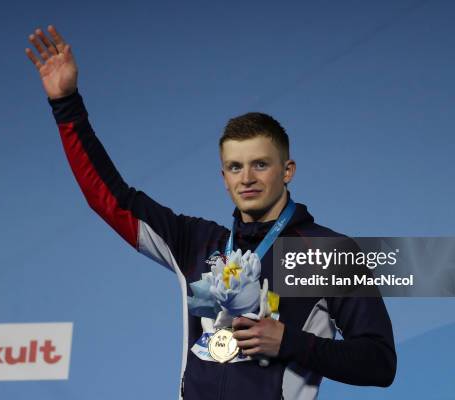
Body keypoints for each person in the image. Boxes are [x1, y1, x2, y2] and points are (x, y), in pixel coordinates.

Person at [25, 25, 396, 400]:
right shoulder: (196, 242)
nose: (247, 178)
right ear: (223, 177)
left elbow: (380, 362)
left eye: (260, 165)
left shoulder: (326, 252)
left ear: (288, 171)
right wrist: (66, 105)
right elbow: (109, 198)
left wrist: (290, 342)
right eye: (235, 167)